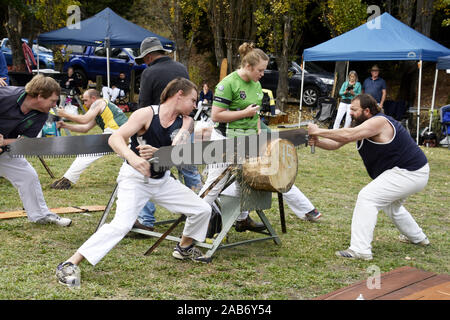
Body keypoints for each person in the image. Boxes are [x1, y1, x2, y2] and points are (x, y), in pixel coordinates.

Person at [55, 78, 212, 287]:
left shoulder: (186, 121)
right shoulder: (146, 114)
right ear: (179, 95)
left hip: (162, 180)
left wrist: (159, 153)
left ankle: (183, 248)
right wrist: (133, 157)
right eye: (193, 100)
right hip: (135, 179)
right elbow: (115, 138)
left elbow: (178, 153)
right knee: (121, 225)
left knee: (202, 209)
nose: (195, 105)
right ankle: (69, 263)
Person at [209, 42, 321, 232]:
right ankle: (200, 220)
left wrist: (260, 135)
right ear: (248, 66)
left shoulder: (257, 85)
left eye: (264, 70)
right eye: (260, 70)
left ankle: (242, 219)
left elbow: (255, 116)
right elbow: (216, 115)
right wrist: (244, 113)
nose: (262, 74)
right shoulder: (228, 84)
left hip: (248, 139)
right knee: (214, 186)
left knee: (247, 179)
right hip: (225, 139)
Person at [308, 93, 430, 260]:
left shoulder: (378, 121)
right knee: (392, 207)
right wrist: (319, 142)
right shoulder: (361, 124)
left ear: (367, 110)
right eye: (350, 109)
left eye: (354, 110)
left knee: (367, 197)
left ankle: (360, 250)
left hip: (410, 171)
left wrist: (318, 130)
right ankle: (419, 238)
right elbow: (336, 144)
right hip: (409, 171)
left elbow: (347, 135)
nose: (350, 112)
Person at [133, 36, 203, 231]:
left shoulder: (149, 72)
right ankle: (202, 209)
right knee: (189, 170)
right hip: (182, 126)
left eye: (144, 58)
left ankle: (146, 220)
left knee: (149, 170)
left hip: (158, 127)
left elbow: (144, 104)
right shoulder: (180, 68)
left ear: (148, 56)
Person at [0, 74, 71, 227]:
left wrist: (3, 142)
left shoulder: (41, 115)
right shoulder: (6, 95)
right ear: (39, 96)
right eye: (52, 100)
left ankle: (41, 215)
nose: (54, 105)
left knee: (27, 176)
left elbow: (25, 141)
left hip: (3, 149)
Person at [50, 89, 128, 190]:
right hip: (122, 133)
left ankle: (66, 180)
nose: (84, 104)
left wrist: (65, 114)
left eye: (86, 100)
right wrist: (66, 125)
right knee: (131, 159)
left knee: (87, 153)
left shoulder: (99, 103)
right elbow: (85, 128)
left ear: (93, 98)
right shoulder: (102, 110)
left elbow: (84, 119)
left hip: (116, 133)